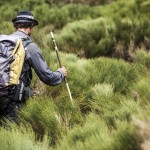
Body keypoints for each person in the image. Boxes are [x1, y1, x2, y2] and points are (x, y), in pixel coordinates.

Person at [0, 10, 67, 124]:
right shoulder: (29, 46)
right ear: (31, 26)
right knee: (13, 134)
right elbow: (48, 77)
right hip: (12, 100)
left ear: (16, 25)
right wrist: (61, 73)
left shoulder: (3, 42)